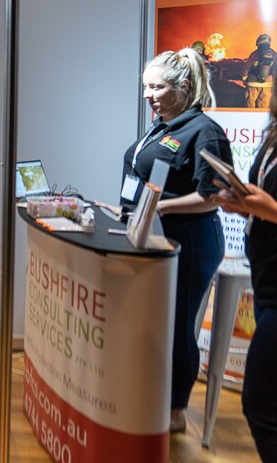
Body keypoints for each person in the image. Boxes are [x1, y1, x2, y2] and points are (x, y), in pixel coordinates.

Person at [105, 48, 231, 434]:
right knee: (156, 323)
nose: (148, 95)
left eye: (157, 87)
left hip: (190, 242)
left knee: (177, 326)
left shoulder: (204, 131)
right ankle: (154, 395)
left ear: (184, 87)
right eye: (146, 87)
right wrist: (129, 210)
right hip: (154, 234)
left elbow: (215, 194)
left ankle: (175, 411)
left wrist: (159, 209)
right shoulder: (162, 123)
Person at [212, 95, 277, 461]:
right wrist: (243, 204)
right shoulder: (272, 137)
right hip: (266, 278)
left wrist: (268, 208)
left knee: (259, 404)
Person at [243, 33, 275, 109]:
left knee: (250, 104)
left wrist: (244, 78)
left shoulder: (254, 54)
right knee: (264, 106)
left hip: (253, 83)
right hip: (267, 84)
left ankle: (249, 119)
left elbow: (247, 67)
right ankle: (262, 119)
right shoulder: (274, 54)